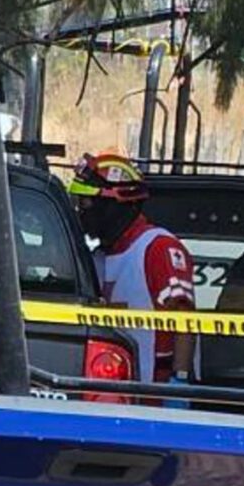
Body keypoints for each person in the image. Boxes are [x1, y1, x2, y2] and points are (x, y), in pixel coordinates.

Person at [68, 152, 197, 392]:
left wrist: (179, 381)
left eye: (86, 203)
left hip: (154, 390)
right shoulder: (97, 257)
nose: (82, 212)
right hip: (108, 388)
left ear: (115, 204)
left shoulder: (158, 248)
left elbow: (185, 319)